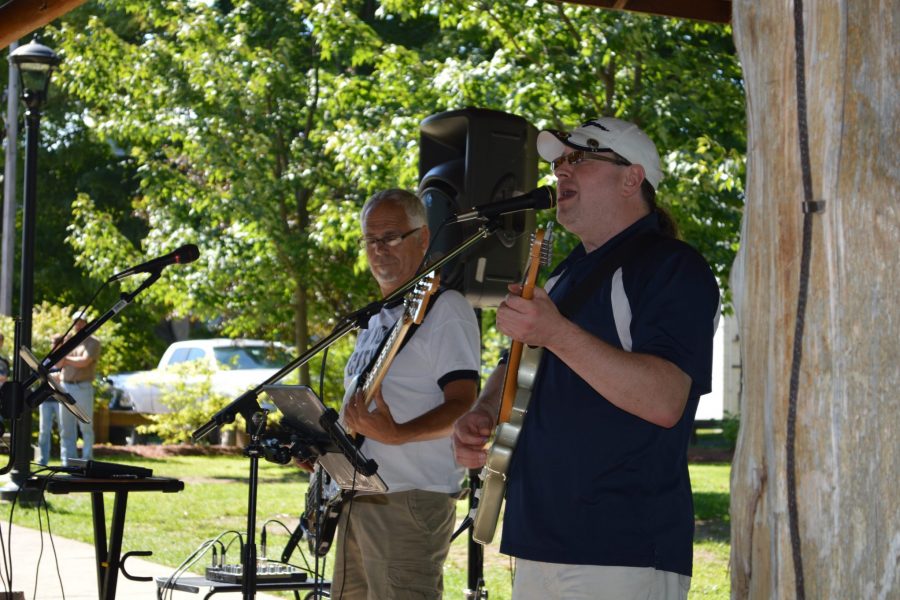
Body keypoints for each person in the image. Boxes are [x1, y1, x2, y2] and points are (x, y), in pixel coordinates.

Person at [453, 117, 720, 600]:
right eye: (557, 162)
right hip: (539, 539)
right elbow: (516, 359)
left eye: (579, 158)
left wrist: (555, 331)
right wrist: (484, 411)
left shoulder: (673, 267)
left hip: (620, 545)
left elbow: (665, 400)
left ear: (631, 178)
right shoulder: (565, 273)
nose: (559, 171)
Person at [331, 188, 481, 599]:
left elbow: (464, 405)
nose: (380, 250)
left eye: (392, 237)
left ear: (424, 238)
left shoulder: (446, 308)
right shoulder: (375, 320)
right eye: (371, 240)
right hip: (358, 498)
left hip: (410, 500)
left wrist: (399, 434)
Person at [57, 314, 101, 466]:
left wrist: (66, 359)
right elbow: (57, 362)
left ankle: (87, 460)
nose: (79, 325)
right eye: (76, 322)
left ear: (87, 324)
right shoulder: (69, 341)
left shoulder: (93, 342)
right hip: (65, 385)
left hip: (83, 386)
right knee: (66, 427)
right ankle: (68, 461)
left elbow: (84, 361)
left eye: (81, 322)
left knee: (85, 426)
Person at [37, 333, 65, 466]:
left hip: (60, 399)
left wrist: (53, 376)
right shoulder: (47, 360)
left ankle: (66, 461)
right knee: (44, 431)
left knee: (64, 430)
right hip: (46, 400)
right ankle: (43, 461)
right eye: (52, 343)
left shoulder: (66, 358)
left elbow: (64, 377)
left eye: (55, 343)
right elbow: (41, 375)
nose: (53, 346)